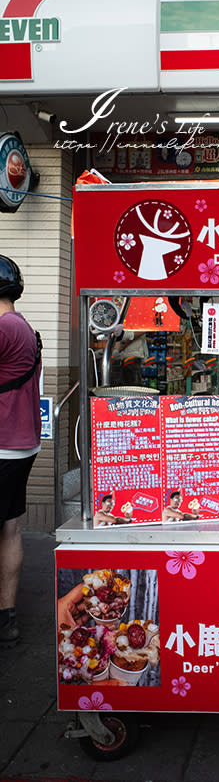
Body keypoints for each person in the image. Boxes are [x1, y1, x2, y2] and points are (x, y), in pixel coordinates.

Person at [0, 255, 41, 646]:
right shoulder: (25, 327)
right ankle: (6, 617)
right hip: (22, 445)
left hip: (1, 446)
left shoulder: (2, 327)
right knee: (10, 527)